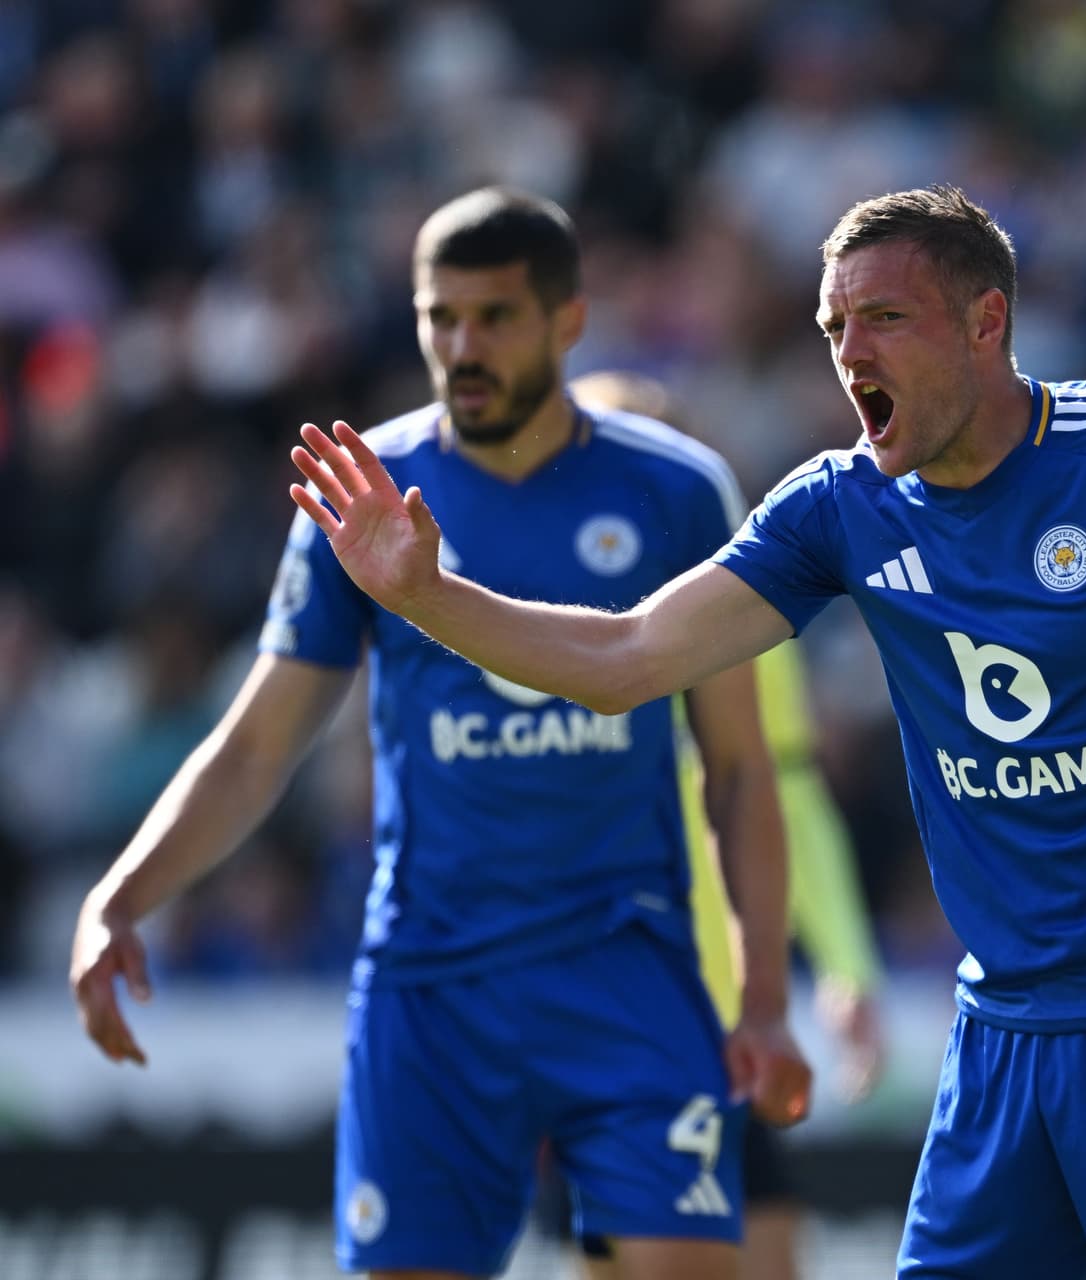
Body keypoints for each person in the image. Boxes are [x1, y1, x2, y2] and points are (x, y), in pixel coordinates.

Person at [285, 184, 1086, 1279]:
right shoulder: (837, 507)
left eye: (885, 318)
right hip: (1004, 1037)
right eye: (834, 326)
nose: (850, 353)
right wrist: (426, 597)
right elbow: (626, 658)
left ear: (986, 323)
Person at [68, 187, 811, 1280]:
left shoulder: (675, 491)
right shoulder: (362, 498)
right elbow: (257, 746)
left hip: (626, 967)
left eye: (495, 317)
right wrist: (119, 894)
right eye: (439, 317)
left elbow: (741, 772)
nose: (462, 347)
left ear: (566, 321)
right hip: (433, 983)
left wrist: (763, 1001)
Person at [569, 369, 888, 1280]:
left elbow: (787, 795)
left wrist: (845, 967)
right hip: (606, 1018)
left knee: (765, 1256)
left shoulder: (735, 622)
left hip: (727, 1018)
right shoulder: (524, 627)